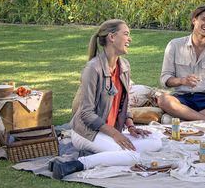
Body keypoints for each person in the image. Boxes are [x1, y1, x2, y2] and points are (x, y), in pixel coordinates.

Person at [50, 19, 163, 179]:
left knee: (155, 141)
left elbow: (125, 103)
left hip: (109, 132)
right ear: (111, 37)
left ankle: (100, 154)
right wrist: (115, 134)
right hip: (86, 132)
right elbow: (86, 114)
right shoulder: (93, 68)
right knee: (131, 156)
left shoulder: (124, 66)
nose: (129, 39)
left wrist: (130, 126)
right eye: (126, 34)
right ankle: (74, 164)